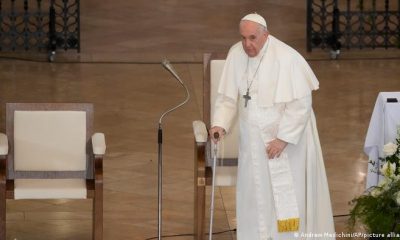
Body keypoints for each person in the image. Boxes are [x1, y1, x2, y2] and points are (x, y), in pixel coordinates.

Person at [209, 13, 335, 239]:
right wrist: (220, 124)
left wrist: (283, 139)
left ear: (265, 34)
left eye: (253, 38)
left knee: (286, 195)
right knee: (254, 193)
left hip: (286, 145)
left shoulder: (287, 57)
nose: (247, 44)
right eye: (243, 38)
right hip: (252, 142)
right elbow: (227, 97)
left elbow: (301, 104)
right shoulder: (236, 54)